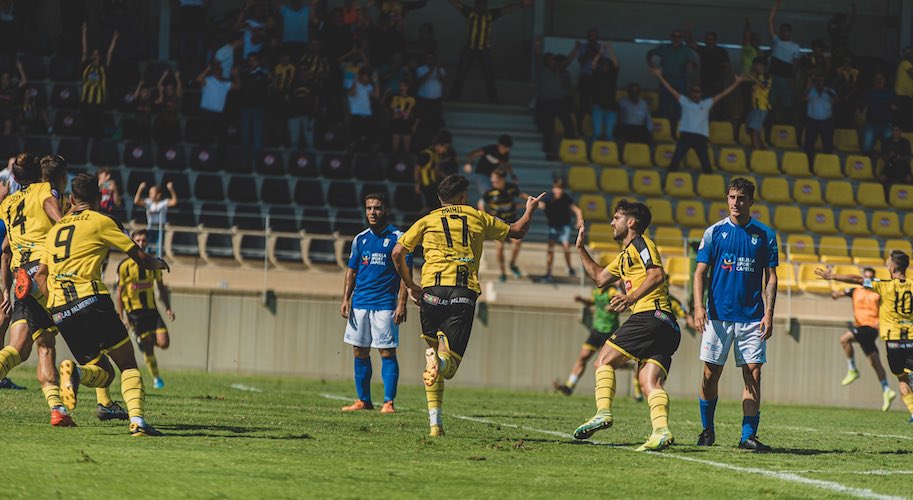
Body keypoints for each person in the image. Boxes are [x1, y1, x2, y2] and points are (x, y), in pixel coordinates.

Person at [391, 174, 544, 436]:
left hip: (431, 292)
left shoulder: (427, 220)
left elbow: (397, 252)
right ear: (462, 197)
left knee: (435, 357)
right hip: (462, 293)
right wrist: (529, 209)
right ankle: (437, 364)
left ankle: (435, 424)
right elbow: (517, 231)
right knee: (446, 368)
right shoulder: (476, 216)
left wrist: (410, 284)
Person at [34, 173, 170, 437]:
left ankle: (76, 374)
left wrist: (53, 304)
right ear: (98, 199)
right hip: (92, 299)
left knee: (102, 372)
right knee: (127, 364)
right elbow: (138, 256)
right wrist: (158, 263)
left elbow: (40, 275)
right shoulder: (101, 221)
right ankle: (138, 422)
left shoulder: (54, 231)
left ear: (71, 199)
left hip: (61, 309)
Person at [571, 200, 681, 452]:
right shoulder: (624, 256)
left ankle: (602, 412)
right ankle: (661, 431)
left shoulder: (641, 244)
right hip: (667, 326)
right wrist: (581, 249)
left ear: (630, 222)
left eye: (616, 217)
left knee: (603, 361)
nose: (612, 222)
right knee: (649, 381)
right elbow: (600, 278)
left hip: (649, 315)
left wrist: (631, 298)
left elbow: (656, 274)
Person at [693, 177, 778, 452]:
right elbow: (699, 273)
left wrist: (769, 314)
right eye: (731, 197)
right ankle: (707, 429)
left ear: (751, 201)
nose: (735, 202)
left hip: (753, 317)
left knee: (753, 375)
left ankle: (747, 436)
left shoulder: (765, 234)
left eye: (741, 198)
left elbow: (772, 277)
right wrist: (698, 307)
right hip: (718, 317)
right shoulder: (714, 232)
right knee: (710, 375)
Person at [816, 251, 913, 423]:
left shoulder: (884, 286)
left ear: (892, 266)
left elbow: (858, 280)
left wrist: (832, 276)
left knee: (902, 378)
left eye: (888, 262)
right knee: (900, 371)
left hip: (894, 342)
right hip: (911, 340)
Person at [339, 193, 410, 414]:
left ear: (386, 210)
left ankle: (388, 402)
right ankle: (364, 401)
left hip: (385, 305)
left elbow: (405, 275)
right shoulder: (360, 239)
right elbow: (351, 271)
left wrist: (402, 304)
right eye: (369, 208)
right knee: (359, 351)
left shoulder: (399, 238)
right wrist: (345, 298)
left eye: (377, 208)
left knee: (386, 352)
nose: (372, 212)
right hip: (360, 303)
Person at [651, 66, 743, 173]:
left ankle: (710, 183)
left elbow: (724, 94)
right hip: (686, 135)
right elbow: (670, 89)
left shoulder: (706, 103)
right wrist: (659, 76)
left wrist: (736, 83)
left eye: (697, 91)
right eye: (694, 91)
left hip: (700, 136)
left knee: (706, 163)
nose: (695, 93)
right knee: (675, 160)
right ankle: (667, 181)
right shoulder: (685, 101)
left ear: (701, 94)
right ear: (691, 93)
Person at [115, 229, 175, 391]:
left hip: (152, 310)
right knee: (148, 346)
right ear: (132, 241)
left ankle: (144, 341)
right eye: (138, 240)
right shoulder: (124, 266)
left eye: (143, 240)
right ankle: (156, 378)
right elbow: (119, 293)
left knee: (164, 342)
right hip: (135, 313)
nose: (141, 243)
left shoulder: (152, 263)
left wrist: (168, 307)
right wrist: (122, 317)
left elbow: (160, 287)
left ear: (147, 242)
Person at [830, 267, 898, 411]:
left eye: (871, 277)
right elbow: (838, 294)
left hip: (871, 327)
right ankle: (887, 390)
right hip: (861, 329)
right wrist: (834, 293)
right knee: (875, 362)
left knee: (844, 339)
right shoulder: (855, 291)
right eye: (866, 277)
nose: (868, 280)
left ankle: (852, 369)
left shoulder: (878, 292)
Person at [446, 0, 532, 104]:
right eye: (479, 4)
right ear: (476, 4)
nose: (481, 6)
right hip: (470, 49)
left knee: (489, 76)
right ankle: (453, 98)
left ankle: (494, 100)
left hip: (484, 50)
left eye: (483, 4)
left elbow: (506, 9)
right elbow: (457, 4)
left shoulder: (490, 14)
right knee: (461, 74)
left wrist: (521, 5)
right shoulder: (470, 12)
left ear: (486, 5)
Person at [554, 284, 624, 396]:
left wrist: (613, 307)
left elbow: (624, 302)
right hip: (596, 331)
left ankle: (629, 366)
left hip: (610, 332)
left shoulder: (612, 292)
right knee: (583, 357)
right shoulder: (596, 291)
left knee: (608, 363)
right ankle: (570, 385)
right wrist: (581, 300)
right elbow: (592, 301)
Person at [478, 168, 531, 282]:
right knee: (500, 248)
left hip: (512, 221)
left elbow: (521, 195)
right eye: (492, 179)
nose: (492, 181)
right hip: (499, 223)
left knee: (517, 243)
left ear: (502, 179)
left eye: (495, 179)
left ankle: (512, 264)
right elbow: (481, 203)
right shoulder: (489, 192)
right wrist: (485, 216)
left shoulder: (511, 188)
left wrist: (532, 200)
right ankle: (502, 272)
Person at [533, 37, 578, 159]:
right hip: (547, 103)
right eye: (550, 59)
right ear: (546, 60)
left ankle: (571, 145)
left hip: (559, 102)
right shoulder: (541, 69)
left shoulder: (559, 69)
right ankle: (548, 150)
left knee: (568, 123)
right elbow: (537, 57)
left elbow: (568, 60)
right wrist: (537, 46)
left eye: (553, 59)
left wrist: (575, 49)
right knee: (549, 127)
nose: (553, 60)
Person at [646, 28, 697, 126]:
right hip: (666, 79)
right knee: (664, 105)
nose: (677, 39)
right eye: (675, 36)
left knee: (679, 106)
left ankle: (676, 130)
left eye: (679, 37)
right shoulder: (664, 47)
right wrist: (652, 65)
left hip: (680, 80)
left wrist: (690, 66)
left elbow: (694, 64)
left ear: (681, 38)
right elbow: (650, 53)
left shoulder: (685, 49)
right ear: (671, 37)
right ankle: (663, 129)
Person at [540, 179, 583, 283]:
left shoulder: (566, 198)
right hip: (553, 225)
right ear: (553, 189)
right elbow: (540, 204)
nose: (558, 191)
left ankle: (569, 267)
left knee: (566, 245)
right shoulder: (548, 197)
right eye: (557, 188)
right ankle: (549, 272)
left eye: (560, 189)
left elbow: (578, 210)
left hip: (564, 225)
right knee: (550, 248)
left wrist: (579, 221)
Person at [80, 23, 118, 139]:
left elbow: (110, 53)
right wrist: (84, 32)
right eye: (94, 54)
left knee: (96, 131)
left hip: (98, 103)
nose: (95, 56)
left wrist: (114, 39)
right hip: (86, 101)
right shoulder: (86, 66)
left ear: (99, 57)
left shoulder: (103, 68)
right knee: (85, 130)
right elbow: (84, 50)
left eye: (97, 55)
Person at [684, 25, 731, 117]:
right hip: (705, 83)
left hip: (718, 83)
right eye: (708, 39)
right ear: (705, 40)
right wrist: (688, 31)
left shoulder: (722, 51)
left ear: (715, 40)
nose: (709, 41)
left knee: (718, 107)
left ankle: (718, 125)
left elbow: (727, 68)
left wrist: (721, 80)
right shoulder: (703, 50)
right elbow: (690, 43)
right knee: (703, 106)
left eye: (711, 39)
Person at [767, 0, 801, 124]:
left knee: (787, 103)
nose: (784, 32)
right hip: (774, 76)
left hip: (786, 77)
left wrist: (793, 77)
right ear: (780, 31)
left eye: (787, 30)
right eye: (783, 30)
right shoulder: (776, 41)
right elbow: (770, 22)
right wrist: (776, 6)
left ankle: (787, 125)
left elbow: (796, 63)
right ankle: (771, 125)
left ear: (790, 32)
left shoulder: (795, 46)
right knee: (772, 102)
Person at [133, 182, 178, 257]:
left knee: (159, 246)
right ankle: (146, 260)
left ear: (158, 194)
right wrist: (140, 189)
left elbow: (174, 202)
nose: (150, 195)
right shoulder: (148, 202)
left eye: (152, 193)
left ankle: (158, 260)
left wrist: (171, 189)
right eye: (149, 193)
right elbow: (136, 201)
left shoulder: (163, 203)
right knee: (148, 246)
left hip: (160, 227)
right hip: (151, 226)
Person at [463, 134, 515, 199]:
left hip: (494, 177)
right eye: (504, 148)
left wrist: (512, 175)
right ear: (500, 145)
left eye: (508, 149)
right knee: (488, 194)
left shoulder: (505, 154)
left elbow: (507, 164)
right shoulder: (490, 149)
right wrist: (468, 163)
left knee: (499, 193)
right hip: (482, 175)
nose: (506, 151)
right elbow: (473, 153)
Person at [589, 42, 620, 142]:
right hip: (598, 107)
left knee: (609, 135)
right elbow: (593, 65)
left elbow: (616, 63)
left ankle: (609, 156)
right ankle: (591, 153)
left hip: (611, 108)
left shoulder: (613, 76)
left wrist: (610, 49)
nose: (605, 67)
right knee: (597, 133)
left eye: (607, 65)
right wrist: (600, 53)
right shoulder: (596, 76)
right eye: (603, 65)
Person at [414, 131, 451, 212]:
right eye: (445, 147)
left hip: (432, 185)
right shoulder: (427, 154)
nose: (445, 150)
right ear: (439, 145)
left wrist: (447, 177)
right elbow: (417, 168)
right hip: (425, 185)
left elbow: (436, 169)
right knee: (428, 207)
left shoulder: (436, 155)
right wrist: (417, 183)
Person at [802, 76, 836, 158]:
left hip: (826, 121)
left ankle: (827, 161)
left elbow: (836, 101)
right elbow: (803, 99)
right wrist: (808, 87)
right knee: (809, 143)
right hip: (812, 121)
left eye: (822, 81)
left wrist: (829, 92)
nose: (820, 83)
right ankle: (808, 162)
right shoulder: (811, 91)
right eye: (818, 81)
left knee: (827, 143)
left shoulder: (830, 91)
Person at [862, 72, 896, 154]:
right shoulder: (869, 92)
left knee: (889, 148)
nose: (879, 80)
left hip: (886, 124)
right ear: (874, 81)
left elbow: (896, 106)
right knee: (866, 147)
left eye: (881, 78)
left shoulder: (890, 92)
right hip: (871, 124)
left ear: (885, 80)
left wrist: (894, 107)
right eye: (877, 78)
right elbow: (862, 105)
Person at [347, 67, 380, 152]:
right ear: (360, 76)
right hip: (356, 116)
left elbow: (376, 96)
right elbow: (352, 93)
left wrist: (376, 81)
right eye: (365, 76)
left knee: (373, 141)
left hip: (368, 116)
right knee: (353, 141)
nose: (367, 79)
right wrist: (355, 80)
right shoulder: (354, 85)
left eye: (368, 77)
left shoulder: (369, 87)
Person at [745, 57, 771, 149]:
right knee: (749, 128)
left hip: (761, 107)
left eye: (757, 65)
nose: (755, 67)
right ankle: (762, 146)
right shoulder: (757, 77)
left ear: (763, 66)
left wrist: (753, 77)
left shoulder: (765, 76)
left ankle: (756, 149)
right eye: (754, 65)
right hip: (754, 107)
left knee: (754, 130)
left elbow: (764, 86)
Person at [879, 125, 912, 197]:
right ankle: (885, 198)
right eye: (894, 130)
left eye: (897, 130)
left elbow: (908, 156)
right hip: (890, 165)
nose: (895, 132)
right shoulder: (886, 141)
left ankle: (908, 197)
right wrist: (889, 156)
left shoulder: (906, 142)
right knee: (882, 179)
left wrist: (900, 158)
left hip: (902, 166)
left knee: (909, 179)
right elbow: (883, 156)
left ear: (901, 132)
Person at [390, 81, 417, 154]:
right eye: (400, 86)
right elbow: (393, 111)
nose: (402, 88)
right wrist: (394, 114)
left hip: (407, 125)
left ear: (407, 87)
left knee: (406, 150)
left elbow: (416, 113)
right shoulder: (395, 98)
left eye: (404, 86)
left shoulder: (412, 99)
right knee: (394, 150)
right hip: (396, 124)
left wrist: (414, 125)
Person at [895, 47, 913, 132]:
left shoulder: (904, 63)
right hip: (904, 95)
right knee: (906, 117)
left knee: (905, 116)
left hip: (906, 95)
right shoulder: (906, 63)